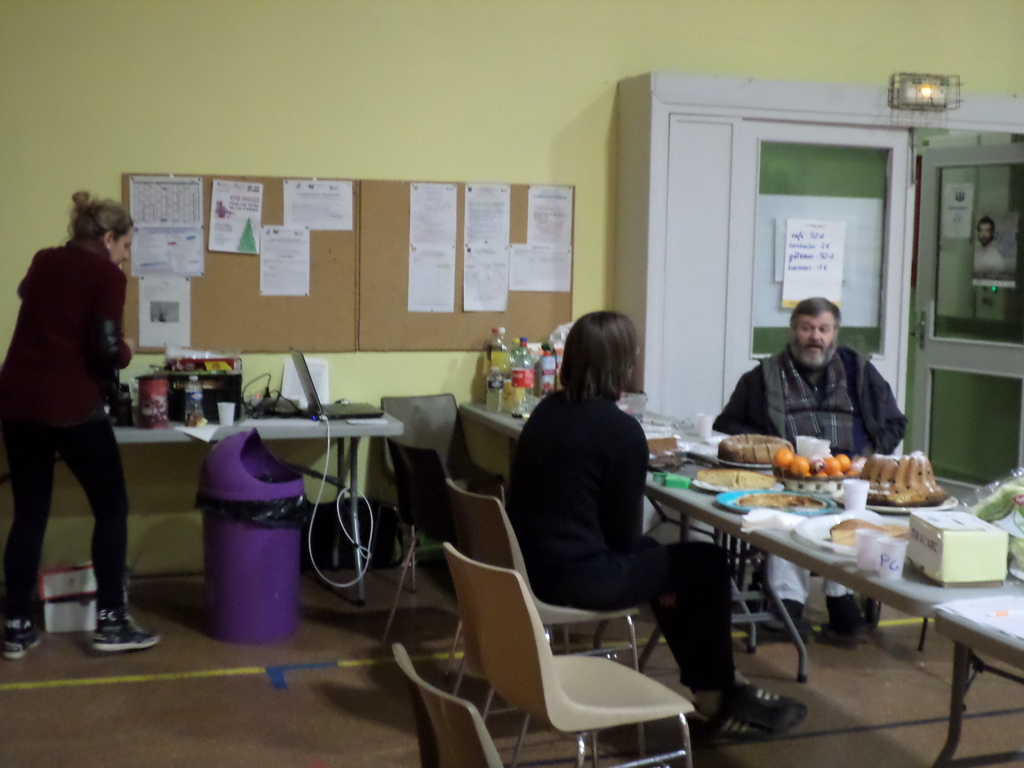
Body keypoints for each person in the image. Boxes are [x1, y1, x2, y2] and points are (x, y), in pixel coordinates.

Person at [507, 310, 806, 740]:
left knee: (678, 568)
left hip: (532, 570)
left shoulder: (546, 413)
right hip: (580, 580)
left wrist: (658, 570)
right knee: (706, 563)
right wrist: (657, 571)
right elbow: (622, 537)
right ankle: (718, 695)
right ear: (623, 363)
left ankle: (722, 690)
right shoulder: (621, 431)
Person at [0, 191, 160, 660]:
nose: (125, 256)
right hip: (70, 405)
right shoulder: (106, 275)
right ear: (108, 238)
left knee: (30, 512)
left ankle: (16, 626)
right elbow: (106, 349)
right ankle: (111, 622)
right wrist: (129, 349)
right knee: (111, 506)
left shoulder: (44, 259)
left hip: (16, 401)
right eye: (125, 246)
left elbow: (28, 295)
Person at [714, 297, 906, 643]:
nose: (815, 337)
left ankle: (841, 597)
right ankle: (787, 603)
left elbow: (895, 423)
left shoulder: (861, 373)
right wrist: (772, 449)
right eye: (807, 328)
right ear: (793, 331)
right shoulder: (763, 377)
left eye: (823, 329)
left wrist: (872, 456)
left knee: (852, 515)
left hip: (848, 477)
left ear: (834, 333)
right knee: (790, 514)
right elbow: (726, 424)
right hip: (789, 479)